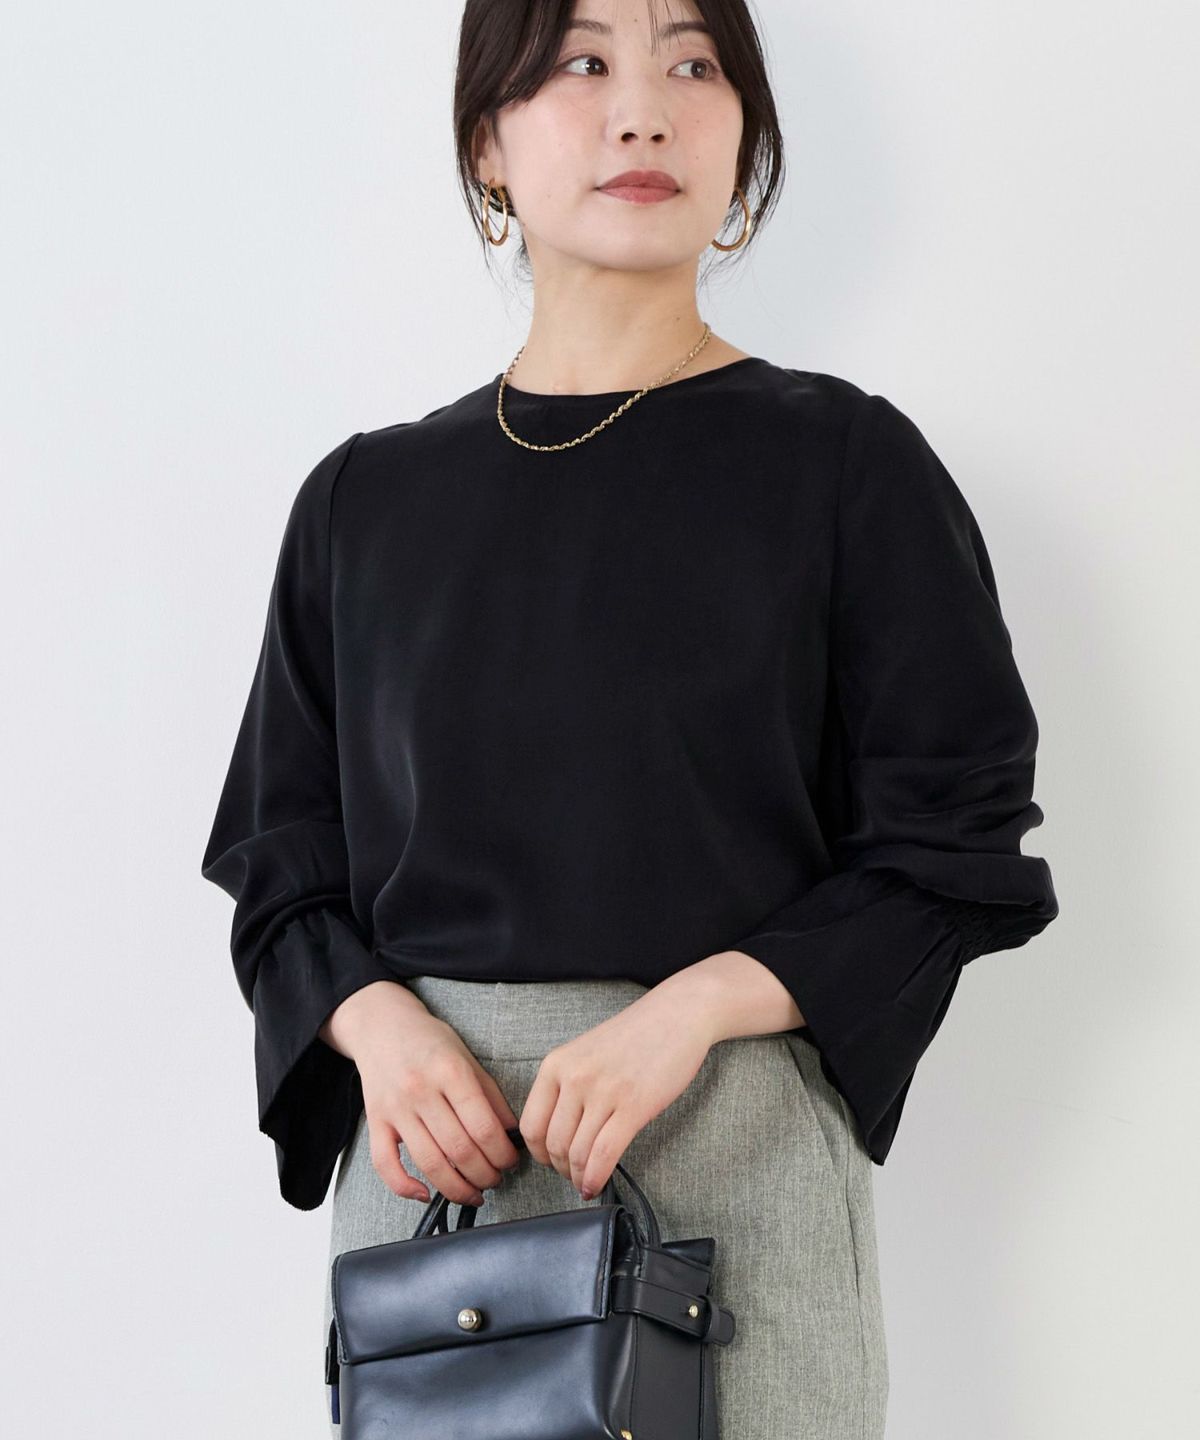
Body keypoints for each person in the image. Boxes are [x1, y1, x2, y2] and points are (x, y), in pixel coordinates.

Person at [199, 2, 1059, 1435]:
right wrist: (376, 1025)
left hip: (730, 1155)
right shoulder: (365, 500)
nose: (644, 108)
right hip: (437, 1182)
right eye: (582, 63)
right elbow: (278, 859)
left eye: (694, 64)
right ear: (487, 143)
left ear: (745, 138)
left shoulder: (849, 466)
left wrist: (697, 1009)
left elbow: (954, 848)